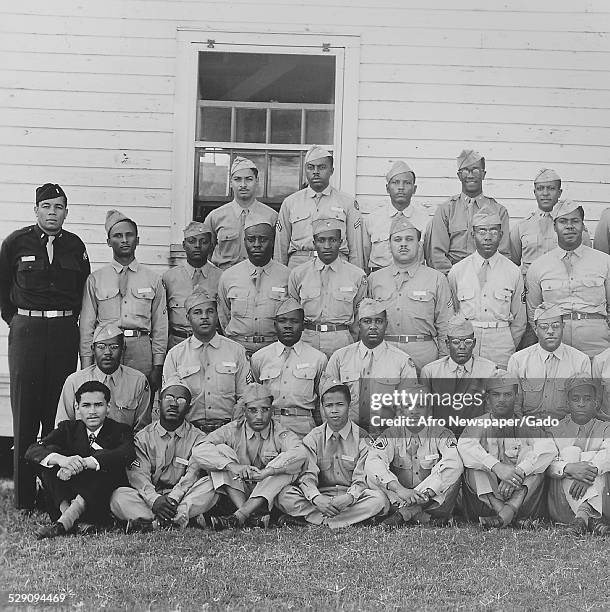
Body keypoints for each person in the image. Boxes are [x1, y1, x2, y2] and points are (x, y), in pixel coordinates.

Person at [0, 183, 90, 510]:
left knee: (57, 414)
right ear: (36, 209)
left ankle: (54, 494)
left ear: (66, 211)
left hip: (64, 331)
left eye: (59, 207)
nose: (53, 213)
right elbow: (2, 290)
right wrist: (20, 321)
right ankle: (24, 498)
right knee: (26, 414)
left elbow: (82, 290)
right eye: (47, 206)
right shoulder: (15, 243)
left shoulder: (74, 246)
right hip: (27, 331)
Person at [184, 383, 308, 529]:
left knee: (285, 467)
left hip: (267, 496)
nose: (259, 416)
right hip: (236, 491)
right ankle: (250, 516)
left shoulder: (279, 432)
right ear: (244, 411)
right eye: (253, 410)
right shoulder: (232, 430)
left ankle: (239, 516)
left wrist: (268, 472)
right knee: (221, 451)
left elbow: (300, 453)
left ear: (272, 411)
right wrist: (233, 467)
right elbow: (199, 450)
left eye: (265, 410)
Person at [25, 381, 135, 539]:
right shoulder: (67, 428)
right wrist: (62, 460)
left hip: (98, 500)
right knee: (48, 458)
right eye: (86, 405)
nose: (92, 411)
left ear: (108, 407)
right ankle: (68, 518)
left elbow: (127, 452)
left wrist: (85, 463)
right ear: (77, 408)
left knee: (108, 463)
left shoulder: (120, 430)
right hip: (67, 494)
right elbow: (33, 450)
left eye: (98, 405)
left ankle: (64, 522)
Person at [276, 378, 387, 527]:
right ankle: (346, 521)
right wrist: (316, 498)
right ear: (322, 408)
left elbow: (362, 479)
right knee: (284, 495)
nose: (334, 410)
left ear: (349, 405)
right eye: (329, 405)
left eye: (340, 405)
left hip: (350, 499)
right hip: (320, 499)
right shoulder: (313, 438)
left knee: (379, 499)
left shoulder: (362, 438)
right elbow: (307, 475)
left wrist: (349, 497)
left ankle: (318, 522)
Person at [79, 209, 168, 396]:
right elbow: (86, 326)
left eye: (129, 235)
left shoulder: (153, 279)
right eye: (118, 236)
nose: (124, 240)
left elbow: (160, 326)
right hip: (106, 350)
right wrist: (87, 366)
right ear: (109, 242)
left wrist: (157, 365)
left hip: (141, 349)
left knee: (139, 404)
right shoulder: (95, 279)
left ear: (137, 239)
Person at [109, 383, 213, 531]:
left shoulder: (198, 438)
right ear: (159, 403)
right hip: (151, 497)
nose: (174, 404)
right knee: (119, 496)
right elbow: (139, 476)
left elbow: (192, 474)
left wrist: (174, 499)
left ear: (189, 408)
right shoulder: (142, 438)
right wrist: (155, 500)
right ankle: (178, 520)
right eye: (168, 398)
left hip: (182, 497)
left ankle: (156, 523)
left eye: (181, 400)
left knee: (211, 484)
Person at [458, 373, 555, 528]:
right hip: (486, 502)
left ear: (516, 397)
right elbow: (464, 446)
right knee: (474, 467)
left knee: (537, 465)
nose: (501, 399)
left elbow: (548, 448)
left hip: (521, 497)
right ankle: (505, 513)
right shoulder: (477, 424)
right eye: (496, 395)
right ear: (488, 398)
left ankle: (505, 515)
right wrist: (497, 467)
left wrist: (519, 471)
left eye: (507, 394)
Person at [510, 169, 591, 350]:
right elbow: (512, 264)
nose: (545, 193)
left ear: (559, 192)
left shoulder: (574, 228)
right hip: (530, 304)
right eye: (541, 188)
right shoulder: (521, 227)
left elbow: (586, 263)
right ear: (534, 192)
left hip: (563, 302)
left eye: (551, 188)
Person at [365, 385, 463, 528]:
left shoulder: (442, 433)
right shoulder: (391, 434)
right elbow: (374, 462)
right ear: (401, 411)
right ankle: (421, 517)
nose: (414, 411)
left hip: (430, 499)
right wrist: (400, 490)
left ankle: (406, 514)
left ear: (429, 410)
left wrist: (426, 493)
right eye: (408, 405)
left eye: (420, 405)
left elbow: (454, 462)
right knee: (373, 472)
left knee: (454, 472)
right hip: (399, 498)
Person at [526, 199, 610, 358]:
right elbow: (533, 313)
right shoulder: (538, 267)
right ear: (554, 226)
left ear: (583, 225)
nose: (569, 226)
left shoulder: (605, 262)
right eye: (563, 221)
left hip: (596, 344)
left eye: (575, 221)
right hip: (556, 342)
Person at [367, 216, 452, 372]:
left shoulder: (437, 279)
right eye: (398, 239)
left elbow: (445, 325)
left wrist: (443, 364)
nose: (403, 244)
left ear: (419, 245)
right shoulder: (374, 279)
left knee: (423, 396)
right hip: (385, 352)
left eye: (409, 239)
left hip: (423, 355)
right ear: (389, 245)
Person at [448, 206, 526, 369]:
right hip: (467, 341)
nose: (488, 237)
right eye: (482, 231)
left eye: (493, 231)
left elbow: (519, 320)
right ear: (472, 235)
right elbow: (453, 312)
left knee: (498, 388)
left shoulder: (513, 271)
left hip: (500, 343)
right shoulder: (458, 271)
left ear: (501, 235)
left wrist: (508, 341)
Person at [163, 291, 249, 433]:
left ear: (217, 315)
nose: (204, 317)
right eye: (197, 312)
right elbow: (170, 401)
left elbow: (244, 398)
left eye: (210, 312)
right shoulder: (175, 355)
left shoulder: (236, 351)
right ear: (188, 318)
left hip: (229, 431)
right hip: (189, 433)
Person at [325, 299, 417, 426]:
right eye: (367, 321)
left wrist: (390, 440)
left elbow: (408, 409)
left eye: (379, 321)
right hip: (347, 435)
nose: (373, 326)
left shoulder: (402, 361)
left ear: (386, 325)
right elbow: (327, 404)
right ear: (358, 325)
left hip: (386, 435)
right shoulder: (340, 358)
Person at [288, 215, 367, 358]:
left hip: (342, 342)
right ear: (314, 243)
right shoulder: (298, 274)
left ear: (340, 243)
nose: (327, 246)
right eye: (321, 240)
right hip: (307, 341)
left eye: (333, 240)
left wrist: (350, 342)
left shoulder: (356, 275)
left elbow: (359, 318)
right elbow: (292, 313)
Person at [274, 145, 363, 269]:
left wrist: (356, 276)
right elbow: (280, 246)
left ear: (331, 170)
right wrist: (280, 276)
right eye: (311, 167)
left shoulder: (347, 203)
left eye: (322, 167)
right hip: (300, 264)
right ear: (305, 170)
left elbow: (356, 248)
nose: (316, 172)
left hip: (337, 264)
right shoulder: (291, 202)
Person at [424, 149, 510, 275]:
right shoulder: (446, 210)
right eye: (465, 171)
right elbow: (437, 254)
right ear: (459, 175)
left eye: (475, 170)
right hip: (452, 277)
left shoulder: (499, 211)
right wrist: (454, 279)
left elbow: (503, 253)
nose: (470, 175)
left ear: (483, 174)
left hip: (489, 277)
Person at [251, 298, 328, 438]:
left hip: (304, 430)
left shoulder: (318, 359)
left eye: (294, 321)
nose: (288, 326)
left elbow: (321, 404)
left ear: (303, 325)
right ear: (275, 325)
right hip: (269, 429)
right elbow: (254, 396)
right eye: (283, 321)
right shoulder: (259, 358)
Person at [56, 323, 151, 432]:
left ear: (123, 349)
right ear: (92, 349)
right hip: (82, 447)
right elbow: (62, 428)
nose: (107, 352)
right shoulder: (74, 381)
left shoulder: (138, 381)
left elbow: (142, 431)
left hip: (123, 446)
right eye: (101, 347)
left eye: (114, 347)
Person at [217, 216, 289, 357]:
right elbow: (224, 316)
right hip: (237, 350)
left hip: (274, 350)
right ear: (245, 242)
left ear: (273, 241)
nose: (257, 244)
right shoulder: (229, 276)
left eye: (263, 239)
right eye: (251, 240)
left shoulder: (287, 276)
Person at [547, 377, 610, 535]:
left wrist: (589, 469)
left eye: (587, 399)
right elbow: (546, 463)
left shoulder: (605, 428)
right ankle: (591, 519)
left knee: (597, 463)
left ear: (596, 403)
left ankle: (582, 517)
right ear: (568, 403)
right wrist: (569, 468)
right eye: (576, 399)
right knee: (571, 454)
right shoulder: (555, 430)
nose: (581, 403)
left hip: (602, 501)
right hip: (564, 504)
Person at [507, 303, 591, 420]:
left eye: (555, 326)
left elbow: (582, 408)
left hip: (565, 432)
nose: (550, 331)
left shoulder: (580, 361)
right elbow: (514, 407)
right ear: (536, 330)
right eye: (544, 327)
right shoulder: (518, 361)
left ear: (563, 326)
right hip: (528, 430)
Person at [420, 315, 498, 434]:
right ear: (447, 343)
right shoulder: (430, 372)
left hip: (477, 437)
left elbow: (492, 412)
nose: (462, 347)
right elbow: (425, 412)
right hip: (439, 437)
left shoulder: (489, 370)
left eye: (467, 342)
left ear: (474, 343)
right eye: (456, 342)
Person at [202, 156, 277, 270]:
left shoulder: (271, 216)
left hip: (259, 278)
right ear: (231, 182)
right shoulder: (215, 217)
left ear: (257, 181)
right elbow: (205, 253)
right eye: (237, 179)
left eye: (249, 179)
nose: (243, 185)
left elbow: (277, 253)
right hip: (224, 277)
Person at [361, 160, 430, 273]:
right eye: (396, 182)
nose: (401, 187)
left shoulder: (425, 221)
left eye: (407, 183)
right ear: (387, 188)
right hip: (379, 280)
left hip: (414, 279)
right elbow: (363, 258)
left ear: (414, 189)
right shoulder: (372, 220)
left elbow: (431, 260)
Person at [162, 221, 222, 349]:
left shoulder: (221, 278)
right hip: (178, 342)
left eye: (203, 242)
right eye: (192, 241)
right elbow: (161, 319)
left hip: (211, 344)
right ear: (184, 245)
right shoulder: (169, 278)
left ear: (211, 246)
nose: (197, 246)